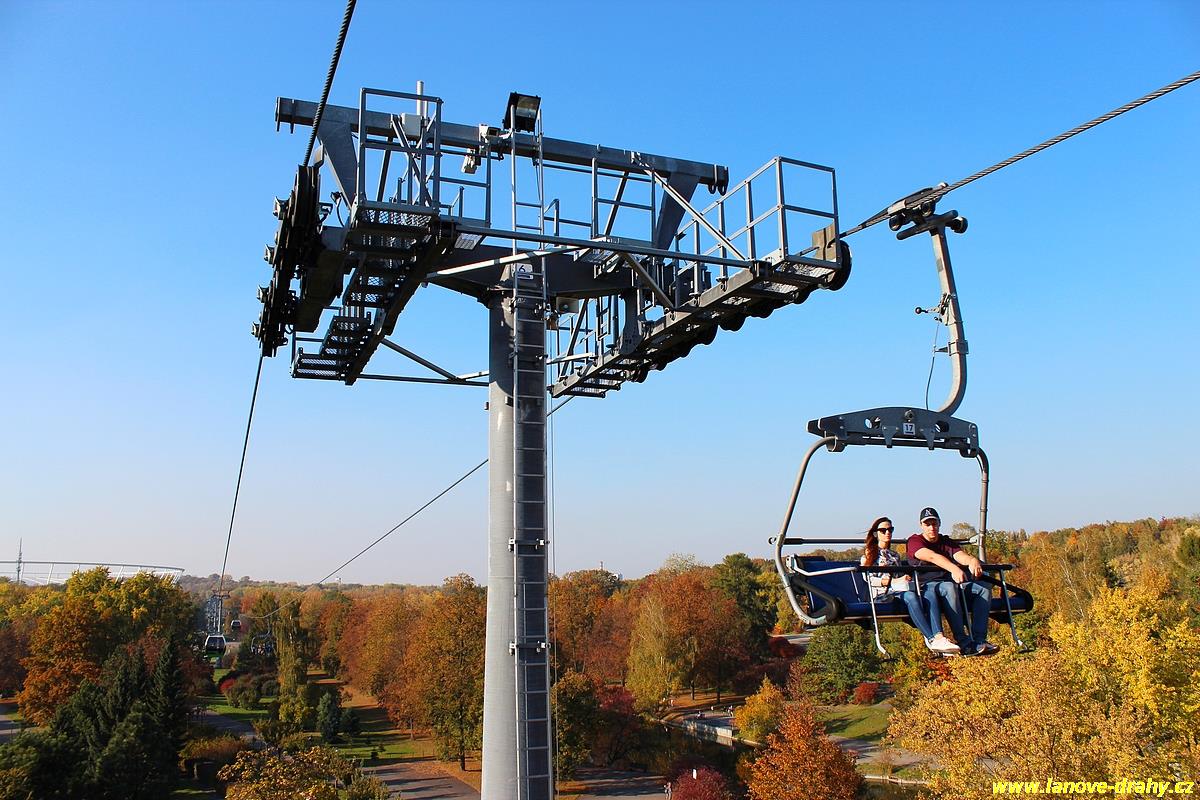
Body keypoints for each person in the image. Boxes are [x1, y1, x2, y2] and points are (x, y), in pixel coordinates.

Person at [905, 507, 999, 656]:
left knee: (983, 588)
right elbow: (931, 556)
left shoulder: (945, 541)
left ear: (939, 524)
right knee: (949, 587)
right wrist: (953, 569)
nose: (931, 528)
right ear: (921, 526)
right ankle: (963, 641)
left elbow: (959, 555)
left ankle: (979, 639)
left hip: (952, 584)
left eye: (934, 524)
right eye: (927, 524)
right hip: (928, 587)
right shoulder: (915, 541)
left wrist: (972, 561)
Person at [861, 516, 960, 655]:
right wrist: (890, 582)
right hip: (882, 594)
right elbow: (869, 580)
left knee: (929, 593)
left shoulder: (894, 555)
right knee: (911, 597)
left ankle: (939, 636)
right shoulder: (869, 555)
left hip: (897, 591)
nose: (887, 533)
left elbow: (899, 576)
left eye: (890, 529)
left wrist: (904, 579)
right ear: (876, 533)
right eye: (883, 530)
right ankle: (931, 639)